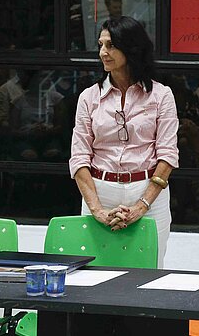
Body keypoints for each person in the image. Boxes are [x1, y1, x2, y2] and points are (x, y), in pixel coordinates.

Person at [69, 17, 179, 267]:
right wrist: (97, 210)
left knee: (149, 271)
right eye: (100, 45)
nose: (103, 52)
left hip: (149, 194)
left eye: (110, 45)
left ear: (131, 48)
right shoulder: (89, 97)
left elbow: (167, 155)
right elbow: (79, 157)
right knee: (93, 272)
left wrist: (142, 205)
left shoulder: (161, 95)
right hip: (99, 192)